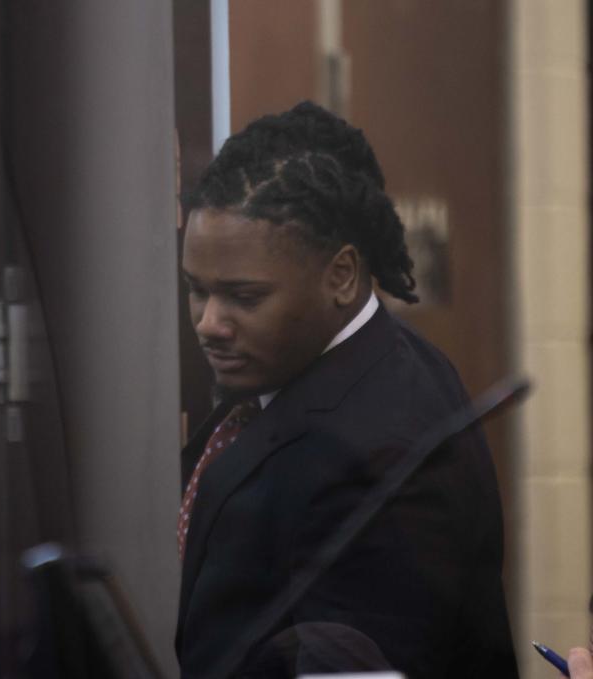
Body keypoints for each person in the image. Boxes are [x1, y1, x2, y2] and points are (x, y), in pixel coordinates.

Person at [175, 101, 517, 678]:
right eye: (196, 290)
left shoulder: (378, 451)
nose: (210, 322)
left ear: (341, 276)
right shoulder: (301, 367)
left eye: (243, 296)